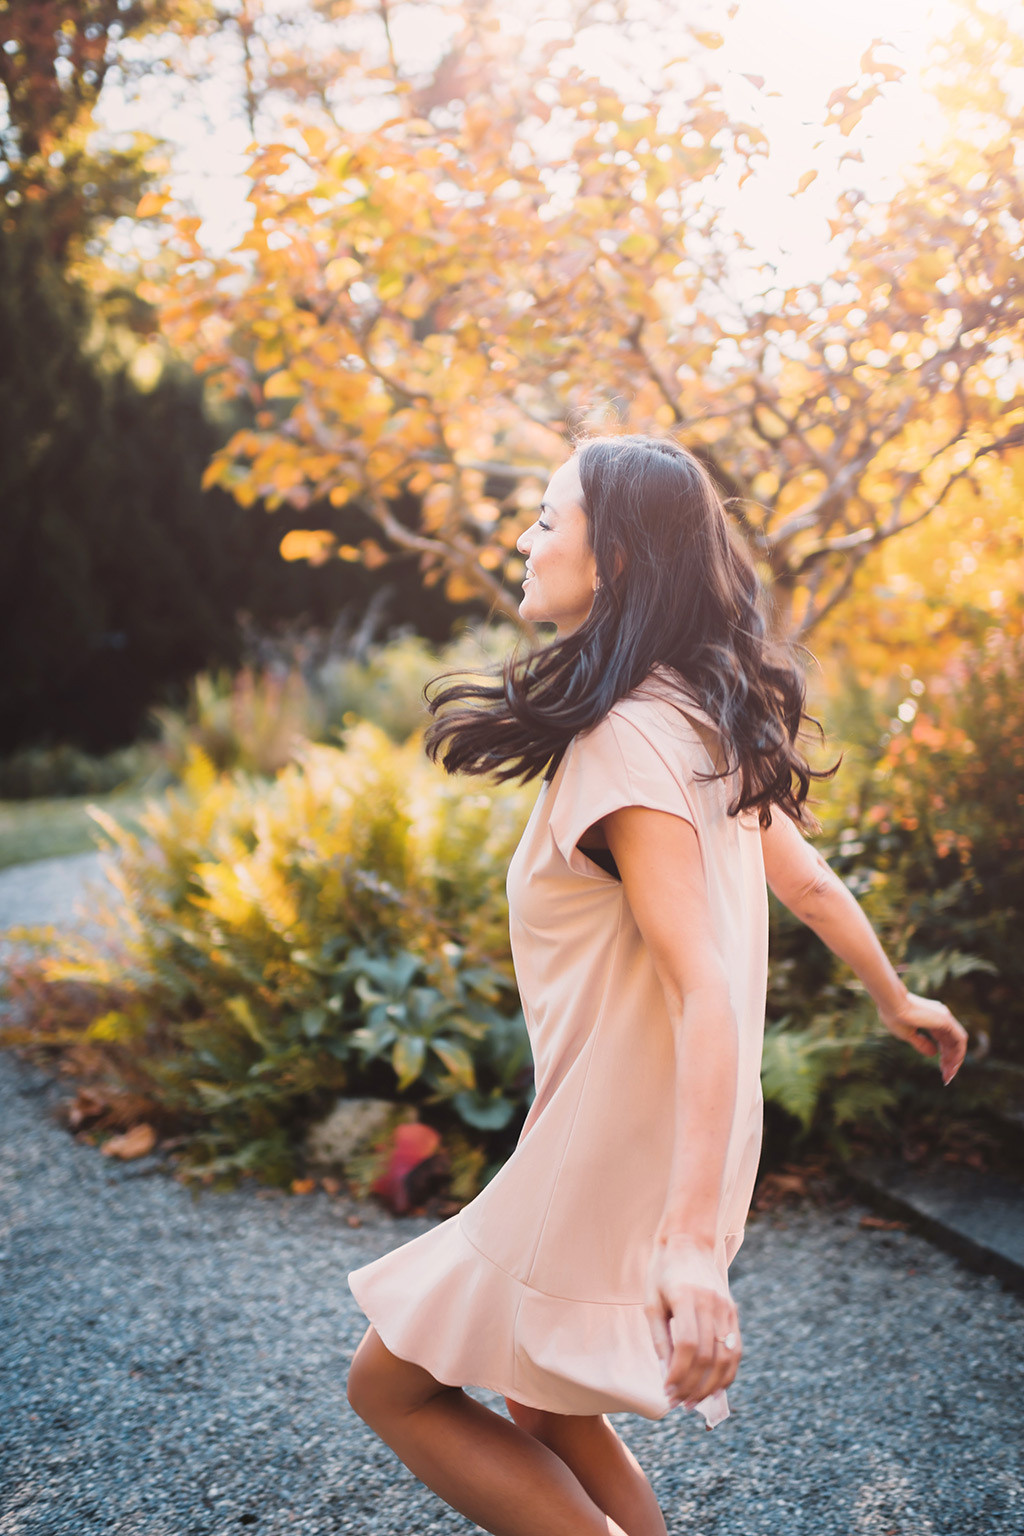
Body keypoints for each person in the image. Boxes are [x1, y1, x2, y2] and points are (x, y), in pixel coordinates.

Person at [345, 434, 968, 1536]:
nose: (524, 541)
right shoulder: (695, 710)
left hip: (622, 1143)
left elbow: (705, 989)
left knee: (389, 1386)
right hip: (647, 1129)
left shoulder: (628, 741)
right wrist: (894, 997)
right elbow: (811, 886)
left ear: (619, 558)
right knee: (548, 1403)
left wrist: (689, 1250)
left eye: (546, 520)